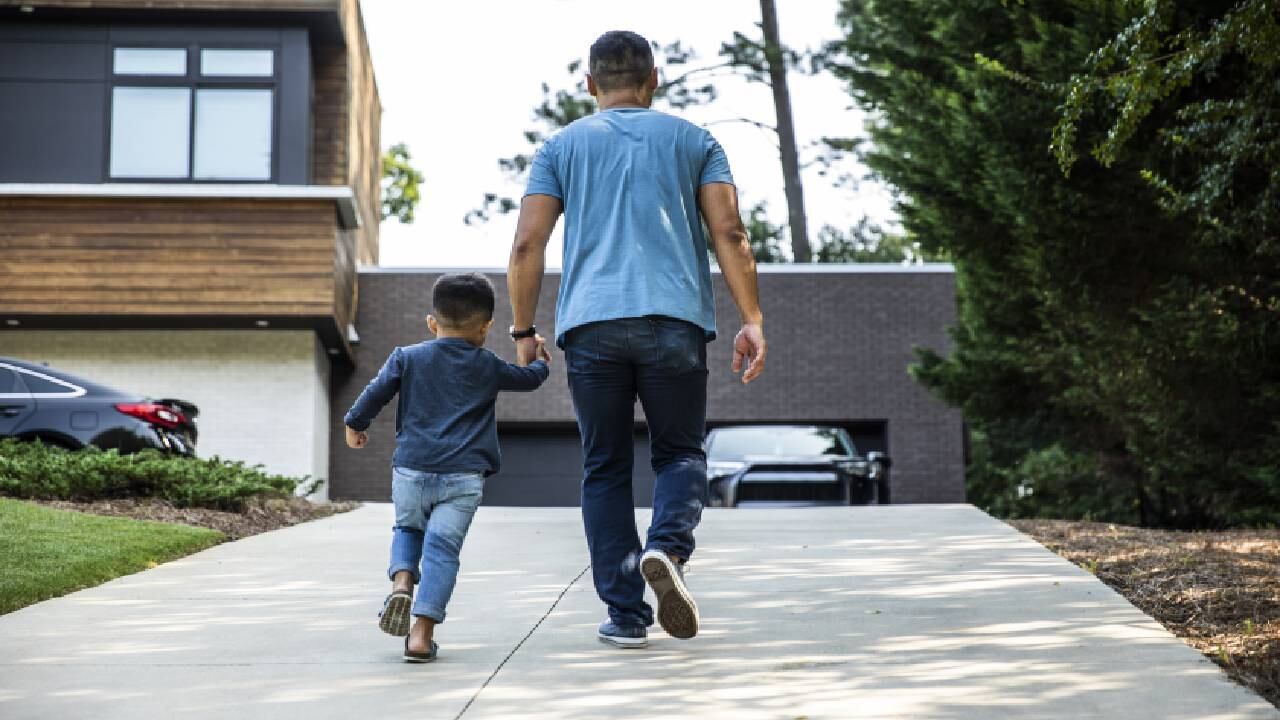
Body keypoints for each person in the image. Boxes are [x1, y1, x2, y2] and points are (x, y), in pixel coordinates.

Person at [507, 30, 767, 649]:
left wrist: (522, 329)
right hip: (673, 323)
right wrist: (751, 317)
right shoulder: (695, 141)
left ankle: (625, 616)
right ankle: (667, 550)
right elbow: (730, 233)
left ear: (590, 84)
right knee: (679, 454)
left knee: (604, 468)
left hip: (591, 326)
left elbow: (526, 244)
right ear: (654, 79)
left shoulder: (560, 147)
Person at [343, 272, 551, 663]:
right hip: (463, 477)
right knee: (442, 550)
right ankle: (421, 637)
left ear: (432, 322)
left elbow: (375, 392)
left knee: (408, 528)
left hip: (412, 469)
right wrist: (538, 360)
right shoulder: (487, 364)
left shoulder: (407, 357)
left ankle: (402, 582)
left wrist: (355, 424)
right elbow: (528, 380)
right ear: (486, 327)